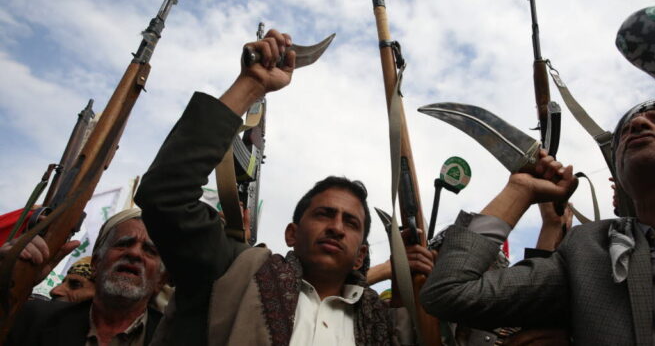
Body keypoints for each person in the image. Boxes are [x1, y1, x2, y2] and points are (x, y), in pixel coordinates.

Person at [134, 29, 432, 345]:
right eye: (324, 214)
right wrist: (251, 85)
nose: (336, 227)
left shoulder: (383, 326)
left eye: (351, 222)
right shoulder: (235, 272)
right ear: (291, 233)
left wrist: (407, 281)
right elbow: (166, 196)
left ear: (361, 256)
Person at [420, 99, 655, 345]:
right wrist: (520, 190)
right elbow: (451, 293)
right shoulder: (588, 252)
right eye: (624, 135)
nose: (638, 125)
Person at [5, 207, 167, 345]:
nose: (134, 253)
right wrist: (7, 279)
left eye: (150, 251)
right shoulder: (34, 319)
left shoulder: (174, 337)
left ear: (161, 279)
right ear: (95, 263)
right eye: (123, 244)